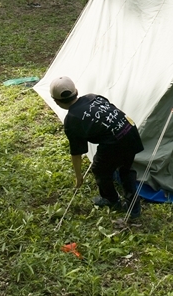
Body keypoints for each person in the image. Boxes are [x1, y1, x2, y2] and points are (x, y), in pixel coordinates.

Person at [49, 76, 144, 218]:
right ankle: (134, 207)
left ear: (56, 101)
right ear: (77, 91)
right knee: (126, 169)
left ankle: (111, 199)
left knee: (99, 169)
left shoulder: (72, 120)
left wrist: (78, 176)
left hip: (115, 143)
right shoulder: (93, 97)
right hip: (130, 131)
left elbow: (76, 153)